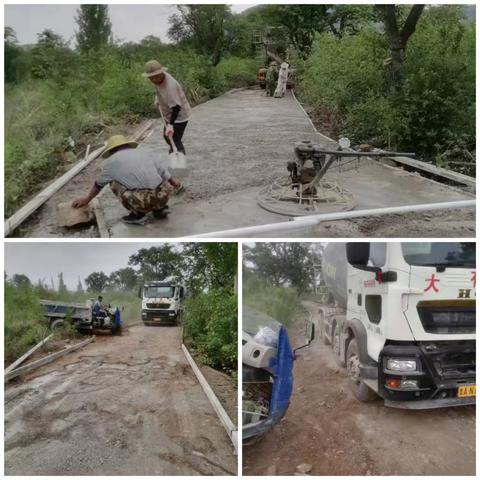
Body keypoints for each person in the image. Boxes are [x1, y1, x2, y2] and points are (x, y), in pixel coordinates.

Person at [72, 135, 181, 225]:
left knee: (113, 183)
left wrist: (86, 200)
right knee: (159, 179)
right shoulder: (144, 152)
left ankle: (138, 215)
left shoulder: (110, 162)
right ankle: (160, 209)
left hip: (143, 200)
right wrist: (174, 183)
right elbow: (163, 171)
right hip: (164, 195)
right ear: (128, 145)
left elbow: (99, 184)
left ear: (112, 150)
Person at [143, 60, 192, 161]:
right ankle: (174, 151)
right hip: (169, 113)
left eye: (156, 76)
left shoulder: (171, 87)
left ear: (161, 73)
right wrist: (158, 98)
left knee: (174, 139)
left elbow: (176, 108)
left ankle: (179, 164)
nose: (154, 79)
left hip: (179, 116)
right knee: (169, 138)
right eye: (151, 77)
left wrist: (171, 125)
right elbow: (159, 88)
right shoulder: (159, 78)